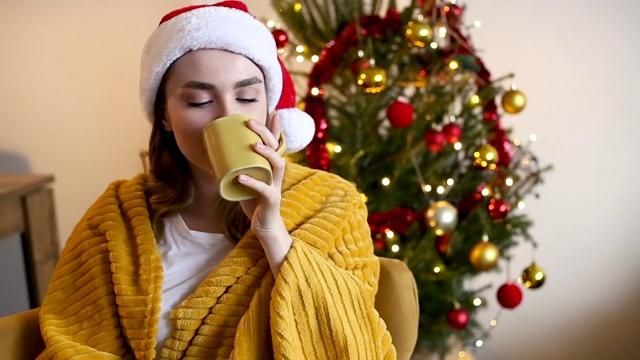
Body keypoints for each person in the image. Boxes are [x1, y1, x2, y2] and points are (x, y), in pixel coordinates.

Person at [37, 1, 396, 359]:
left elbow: (354, 346)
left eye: (247, 97)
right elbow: (69, 341)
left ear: (268, 107)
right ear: (164, 116)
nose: (228, 115)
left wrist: (274, 235)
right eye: (198, 101)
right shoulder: (117, 216)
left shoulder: (333, 204)